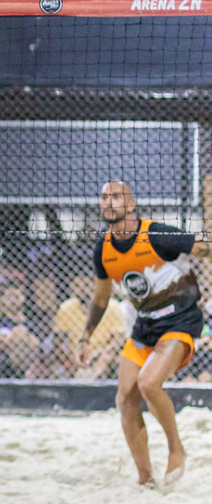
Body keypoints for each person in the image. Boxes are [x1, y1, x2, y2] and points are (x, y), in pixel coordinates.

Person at [76, 180, 210, 485]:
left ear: (132, 203)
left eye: (116, 196)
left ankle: (176, 449)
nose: (109, 202)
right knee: (125, 397)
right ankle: (145, 478)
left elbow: (205, 249)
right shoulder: (103, 248)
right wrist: (85, 338)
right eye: (104, 197)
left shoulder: (158, 235)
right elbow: (101, 298)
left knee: (149, 383)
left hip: (179, 319)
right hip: (145, 324)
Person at [56, 274, 126, 380]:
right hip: (76, 355)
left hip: (103, 355)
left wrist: (103, 355)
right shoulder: (66, 308)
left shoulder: (112, 306)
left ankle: (94, 379)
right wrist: (70, 357)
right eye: (77, 286)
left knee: (112, 357)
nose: (82, 290)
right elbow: (59, 341)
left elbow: (118, 339)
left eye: (86, 285)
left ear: (95, 286)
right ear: (72, 288)